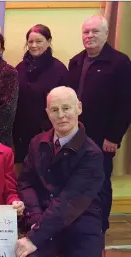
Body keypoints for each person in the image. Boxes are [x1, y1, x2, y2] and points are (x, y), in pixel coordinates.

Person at [16, 86, 104, 257]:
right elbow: (25, 183)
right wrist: (35, 218)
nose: (61, 115)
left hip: (80, 224)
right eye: (55, 110)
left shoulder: (92, 154)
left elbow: (70, 202)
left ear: (78, 107)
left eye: (66, 108)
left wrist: (35, 237)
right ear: (47, 112)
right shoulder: (36, 143)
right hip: (41, 219)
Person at [67, 15, 131, 234]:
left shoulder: (120, 63)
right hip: (76, 137)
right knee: (76, 182)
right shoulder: (75, 61)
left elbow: (126, 103)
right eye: (86, 32)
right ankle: (78, 228)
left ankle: (100, 229)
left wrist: (114, 136)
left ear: (105, 34)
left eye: (95, 31)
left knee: (100, 185)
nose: (90, 36)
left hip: (103, 138)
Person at [13, 24, 69, 165]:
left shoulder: (59, 70)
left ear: (49, 41)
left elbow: (65, 104)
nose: (33, 45)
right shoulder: (20, 68)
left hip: (48, 133)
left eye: (39, 41)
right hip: (21, 133)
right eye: (30, 42)